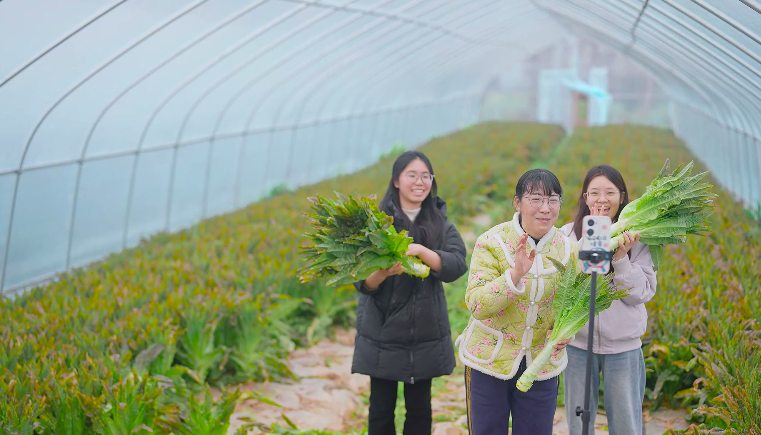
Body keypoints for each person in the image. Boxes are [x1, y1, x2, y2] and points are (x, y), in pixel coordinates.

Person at [351, 150, 468, 435]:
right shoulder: (376, 225)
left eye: (426, 176)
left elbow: (456, 264)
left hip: (424, 330)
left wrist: (421, 251)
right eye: (412, 175)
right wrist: (383, 272)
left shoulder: (440, 223)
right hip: (382, 330)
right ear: (396, 181)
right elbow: (361, 280)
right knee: (381, 408)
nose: (420, 182)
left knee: (419, 408)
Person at [456, 168, 575, 435]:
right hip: (489, 362)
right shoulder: (492, 242)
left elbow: (573, 303)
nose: (545, 208)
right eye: (536, 199)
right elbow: (477, 305)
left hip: (540, 364)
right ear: (517, 203)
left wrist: (567, 330)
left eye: (553, 199)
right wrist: (515, 275)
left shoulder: (568, 248)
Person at [560, 164, 657, 435]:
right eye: (594, 193)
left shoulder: (639, 239)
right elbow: (567, 287)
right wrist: (594, 237)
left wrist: (621, 258)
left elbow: (642, 293)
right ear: (585, 197)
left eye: (610, 192)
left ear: (622, 197)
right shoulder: (568, 235)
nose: (601, 199)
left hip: (623, 348)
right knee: (579, 424)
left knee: (626, 425)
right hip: (579, 345)